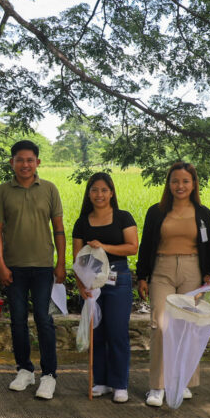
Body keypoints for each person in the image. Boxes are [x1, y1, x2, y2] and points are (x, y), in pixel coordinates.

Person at [0, 140, 66, 401]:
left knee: (45, 321)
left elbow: (58, 228)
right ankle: (24, 370)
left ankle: (49, 375)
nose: (25, 164)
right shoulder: (2, 191)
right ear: (12, 163)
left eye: (30, 160)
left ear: (37, 162)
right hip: (14, 269)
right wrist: (0, 265)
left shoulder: (49, 189)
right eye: (20, 160)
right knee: (18, 321)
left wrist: (61, 263)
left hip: (44, 267)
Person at [135, 161, 210, 407]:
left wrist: (208, 273)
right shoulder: (156, 211)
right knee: (161, 325)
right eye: (175, 181)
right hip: (162, 270)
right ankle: (157, 386)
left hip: (193, 270)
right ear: (169, 184)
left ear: (193, 184)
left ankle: (182, 381)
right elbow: (146, 244)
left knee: (187, 327)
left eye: (185, 181)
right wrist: (142, 275)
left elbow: (209, 245)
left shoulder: (203, 214)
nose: (180, 186)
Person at [72, 172, 138, 404]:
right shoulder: (82, 222)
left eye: (103, 190)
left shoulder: (123, 217)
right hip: (90, 280)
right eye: (94, 190)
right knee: (96, 331)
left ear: (111, 192)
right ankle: (99, 381)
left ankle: (120, 383)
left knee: (117, 332)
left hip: (118, 279)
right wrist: (81, 286)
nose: (99, 194)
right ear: (89, 194)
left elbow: (132, 248)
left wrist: (104, 246)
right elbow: (77, 258)